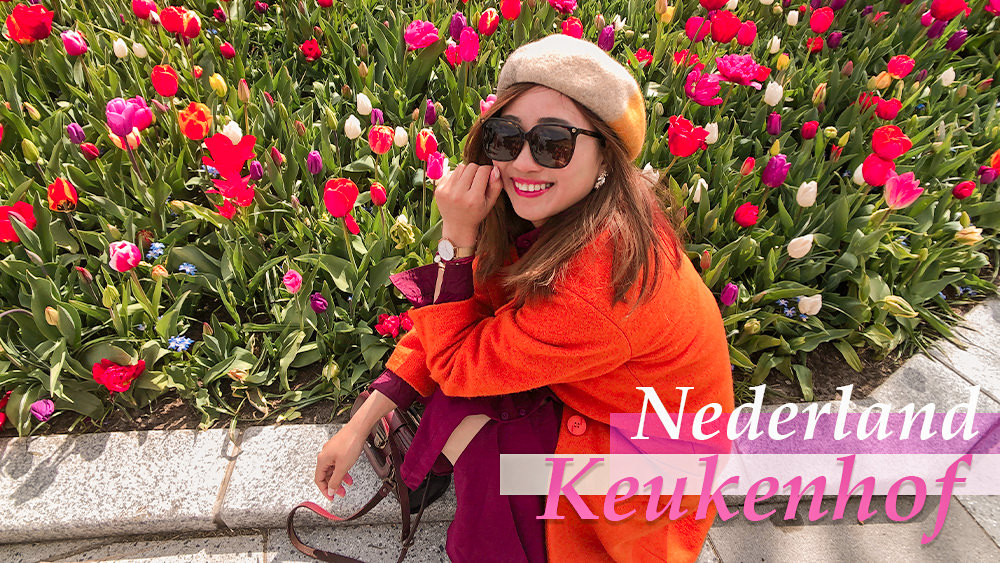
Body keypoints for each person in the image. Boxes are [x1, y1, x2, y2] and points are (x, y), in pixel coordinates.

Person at [314, 34, 733, 562]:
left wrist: (455, 238)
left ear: (606, 154)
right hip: (607, 406)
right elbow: (469, 316)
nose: (524, 163)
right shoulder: (575, 216)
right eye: (506, 137)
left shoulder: (598, 278)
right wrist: (359, 424)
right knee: (466, 394)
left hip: (648, 481)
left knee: (472, 418)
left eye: (554, 143)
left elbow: (456, 363)